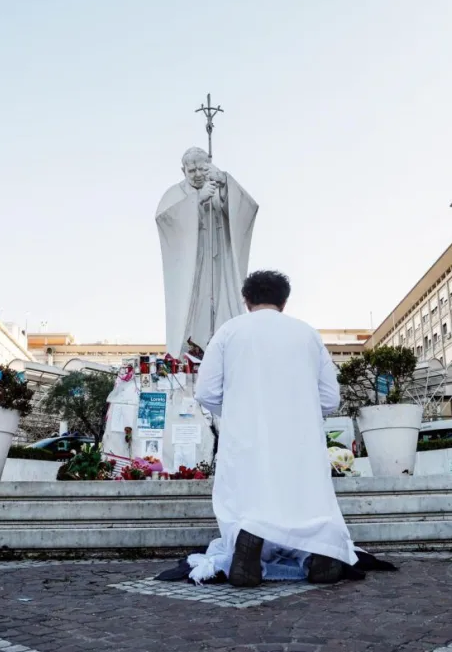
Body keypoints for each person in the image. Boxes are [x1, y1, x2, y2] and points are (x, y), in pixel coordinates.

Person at [194, 270, 356, 587]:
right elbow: (330, 397)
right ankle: (319, 550)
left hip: (247, 434)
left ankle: (249, 539)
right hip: (300, 436)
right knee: (304, 494)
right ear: (284, 301)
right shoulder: (307, 334)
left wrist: (237, 412)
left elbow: (205, 392)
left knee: (251, 493)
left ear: (246, 299)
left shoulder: (229, 331)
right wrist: (305, 412)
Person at [155, 147, 259, 358]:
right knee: (193, 306)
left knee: (223, 299)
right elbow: (165, 220)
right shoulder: (175, 194)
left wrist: (225, 185)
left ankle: (223, 344)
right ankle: (191, 348)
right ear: (183, 170)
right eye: (191, 170)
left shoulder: (218, 185)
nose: (197, 174)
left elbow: (247, 209)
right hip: (192, 264)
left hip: (220, 261)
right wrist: (197, 201)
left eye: (202, 169)